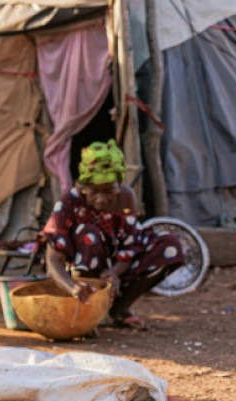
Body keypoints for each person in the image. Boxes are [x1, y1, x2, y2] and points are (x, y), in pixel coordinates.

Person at [41, 140, 184, 329]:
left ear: (119, 184)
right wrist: (72, 287)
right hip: (82, 268)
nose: (101, 198)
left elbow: (130, 245)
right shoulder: (69, 202)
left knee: (170, 245)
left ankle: (119, 309)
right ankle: (89, 310)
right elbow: (53, 260)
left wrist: (113, 273)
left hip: (115, 263)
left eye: (109, 190)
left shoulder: (126, 197)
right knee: (88, 233)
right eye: (94, 191)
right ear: (84, 186)